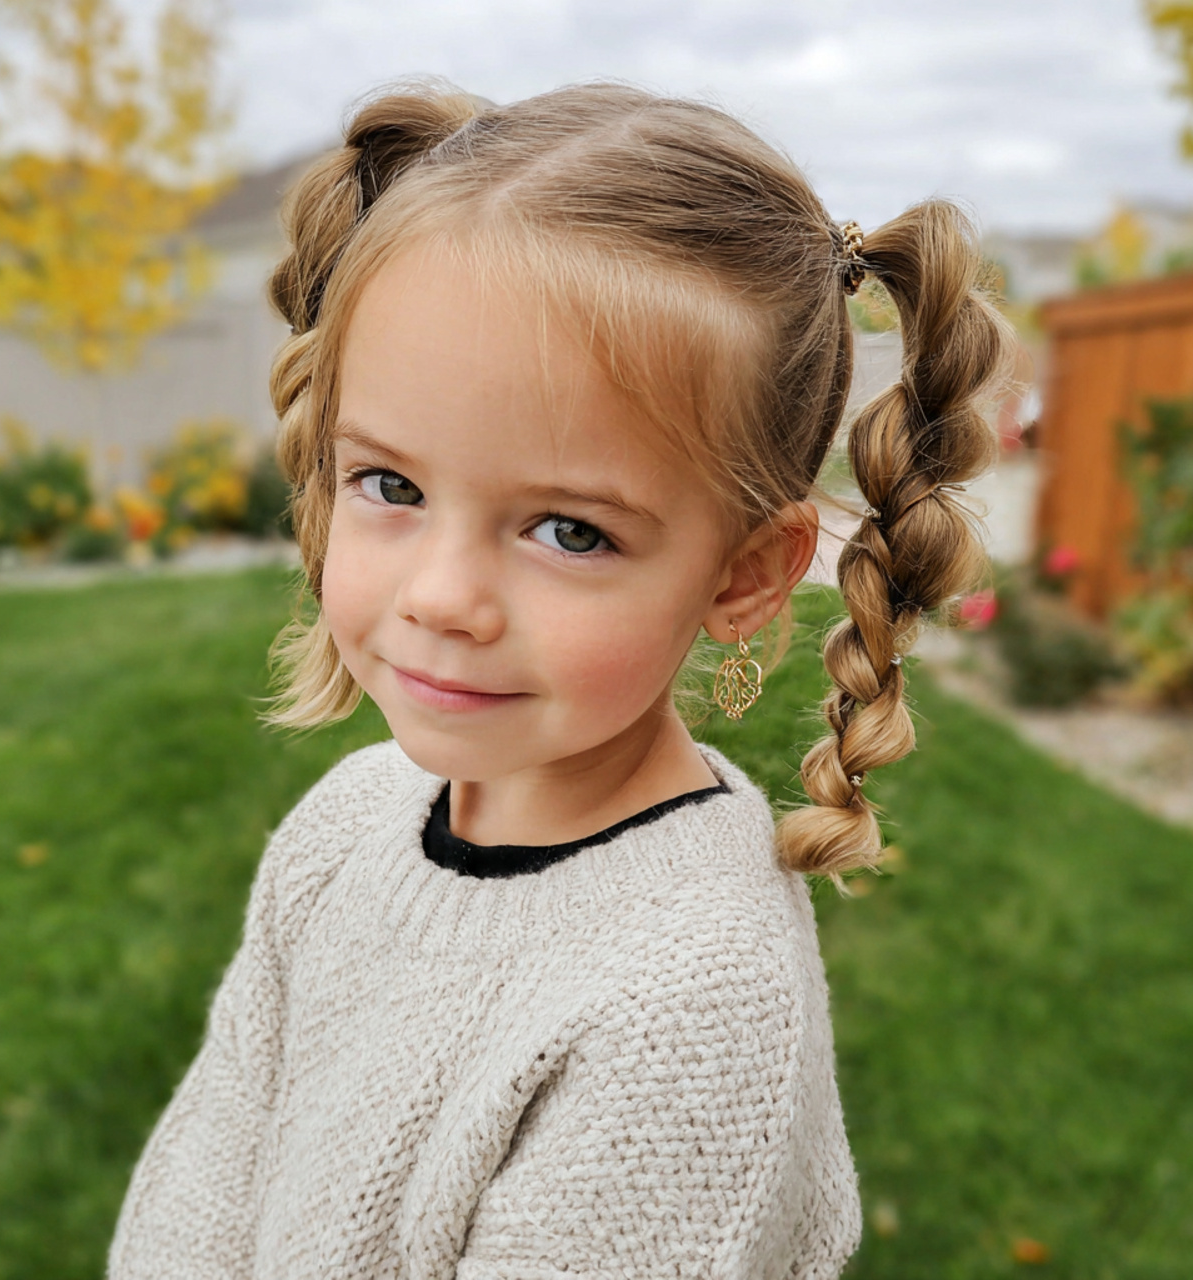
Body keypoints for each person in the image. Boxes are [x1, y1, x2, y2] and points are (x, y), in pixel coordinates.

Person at [109, 81, 1012, 1278]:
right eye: (389, 485)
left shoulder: (687, 1001)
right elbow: (204, 1180)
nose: (440, 596)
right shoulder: (344, 827)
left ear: (742, 576)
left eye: (568, 532)